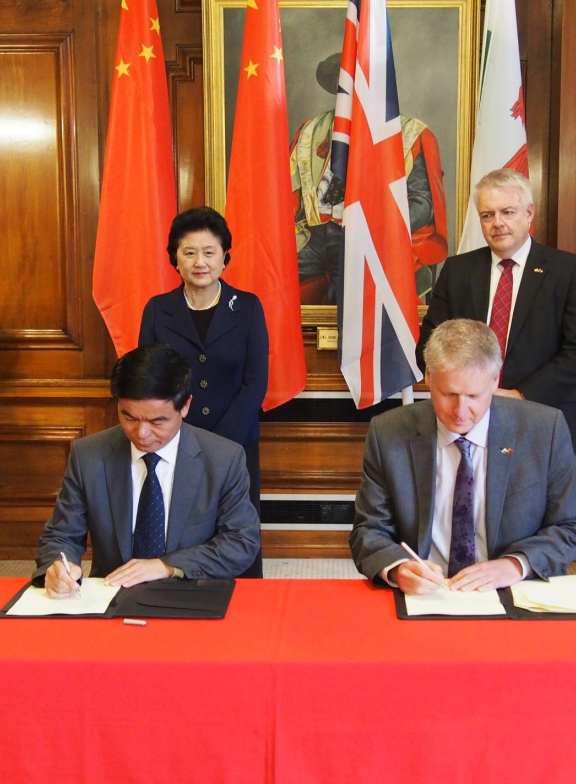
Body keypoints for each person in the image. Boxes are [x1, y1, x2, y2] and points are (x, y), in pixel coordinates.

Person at [351, 319, 576, 594]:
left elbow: (572, 525)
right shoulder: (388, 432)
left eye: (474, 396)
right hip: (427, 593)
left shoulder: (544, 429)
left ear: (495, 380)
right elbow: (369, 530)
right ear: (428, 376)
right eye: (448, 394)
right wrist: (398, 568)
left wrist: (515, 565)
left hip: (513, 589)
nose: (460, 411)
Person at [34, 344, 261, 596]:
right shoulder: (89, 455)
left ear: (185, 406)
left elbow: (241, 542)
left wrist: (167, 566)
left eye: (156, 421)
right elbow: (61, 535)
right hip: (113, 593)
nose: (141, 434)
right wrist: (58, 566)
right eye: (129, 418)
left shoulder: (223, 458)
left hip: (191, 593)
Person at [415, 169, 576, 457]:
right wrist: (466, 395)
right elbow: (428, 347)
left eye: (507, 212)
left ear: (529, 213)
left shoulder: (567, 271)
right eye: (487, 215)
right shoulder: (458, 271)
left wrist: (520, 395)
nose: (497, 223)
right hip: (466, 422)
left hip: (541, 421)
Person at [138, 207, 268, 577]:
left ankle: (245, 597)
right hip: (174, 440)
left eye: (209, 252)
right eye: (189, 252)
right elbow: (149, 381)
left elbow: (255, 382)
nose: (200, 262)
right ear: (175, 258)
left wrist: (219, 444)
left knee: (238, 530)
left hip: (237, 442)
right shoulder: (158, 310)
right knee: (180, 527)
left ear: (224, 257)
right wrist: (182, 436)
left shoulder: (247, 307)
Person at [290, 52, 448, 304]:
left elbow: (422, 204)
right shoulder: (311, 129)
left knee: (348, 293)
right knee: (271, 273)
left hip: (369, 234)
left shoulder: (410, 133)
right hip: (313, 235)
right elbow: (289, 196)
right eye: (346, 83)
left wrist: (378, 224)